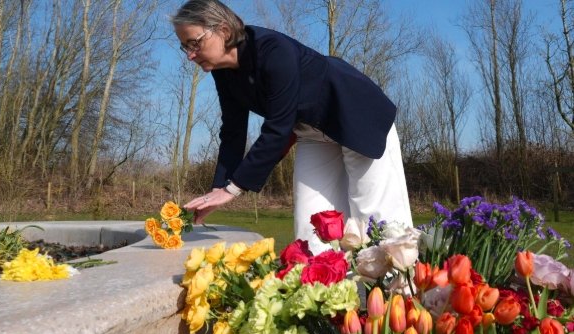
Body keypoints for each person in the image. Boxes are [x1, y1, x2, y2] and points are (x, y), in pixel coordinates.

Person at [175, 0, 412, 253]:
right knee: (312, 225)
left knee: (375, 219)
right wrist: (218, 189)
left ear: (223, 30)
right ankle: (324, 292)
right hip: (311, 131)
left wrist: (234, 189)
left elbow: (278, 126)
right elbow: (233, 131)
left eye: (194, 43)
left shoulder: (272, 49)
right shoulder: (223, 72)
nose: (190, 55)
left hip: (358, 115)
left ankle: (397, 289)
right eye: (184, 47)